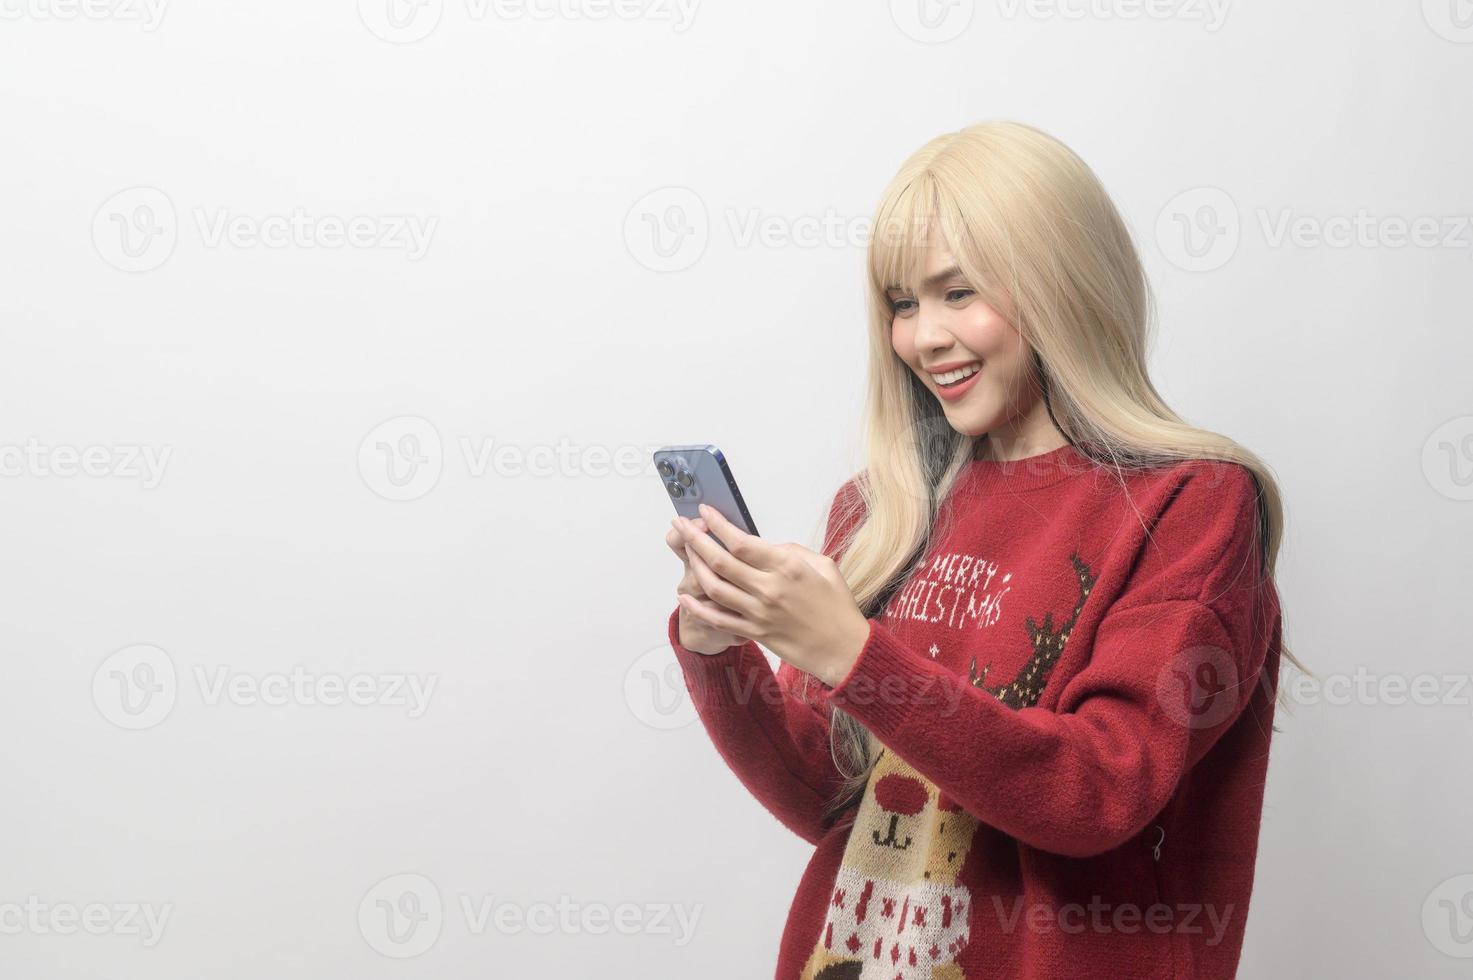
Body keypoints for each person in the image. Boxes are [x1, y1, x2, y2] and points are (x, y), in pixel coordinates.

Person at [663, 120, 1293, 979]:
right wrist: (721, 650)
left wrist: (849, 652)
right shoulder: (879, 513)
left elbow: (1102, 793)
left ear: (1060, 284)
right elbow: (825, 801)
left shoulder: (1189, 504)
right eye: (901, 303)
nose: (923, 337)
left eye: (957, 293)